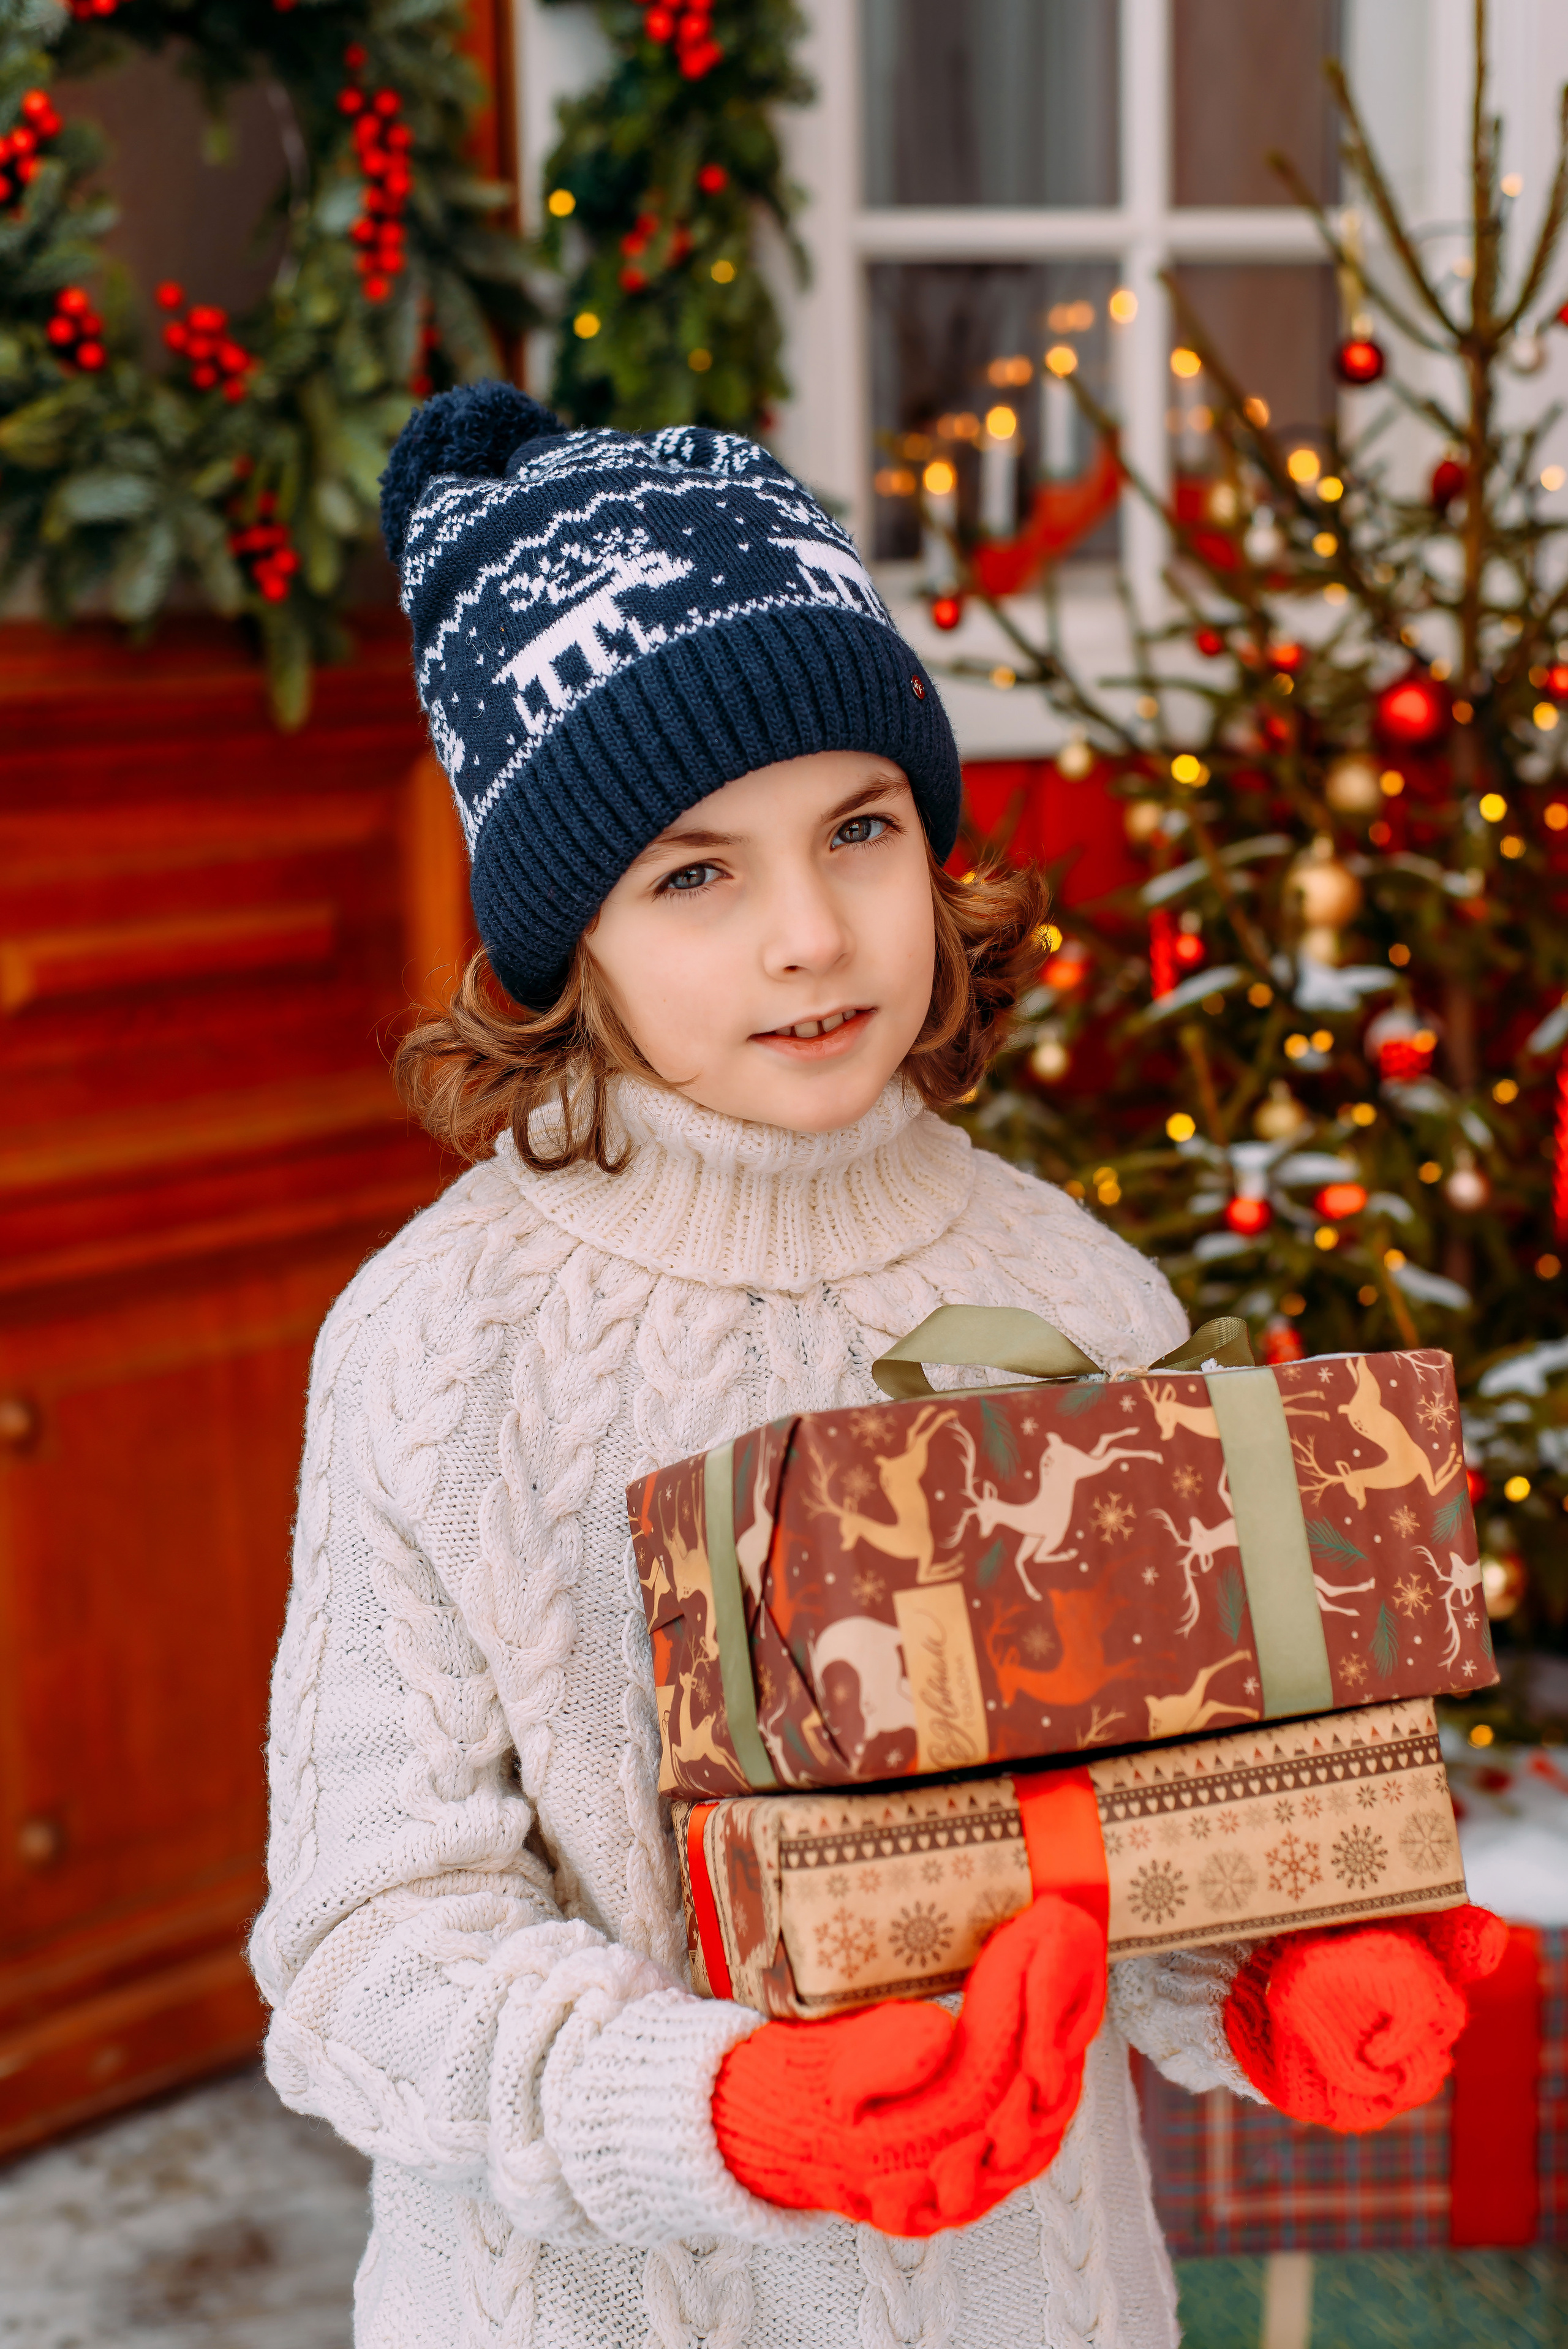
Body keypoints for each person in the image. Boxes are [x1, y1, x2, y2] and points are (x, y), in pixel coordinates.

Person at [251, 385, 1501, 2349]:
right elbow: (360, 1949)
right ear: (561, 936)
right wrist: (721, 2102)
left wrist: (1276, 1983)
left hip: (1030, 2300)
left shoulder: (1068, 1296)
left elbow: (1154, 1835)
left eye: (859, 829)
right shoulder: (433, 1349)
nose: (813, 933)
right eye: (695, 873)